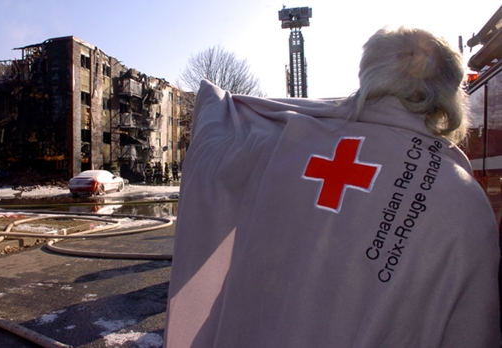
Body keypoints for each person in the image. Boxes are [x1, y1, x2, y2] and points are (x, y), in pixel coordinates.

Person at [165, 27, 499, 347]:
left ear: (368, 73)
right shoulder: (464, 202)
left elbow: (215, 123)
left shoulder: (288, 142)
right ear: (451, 91)